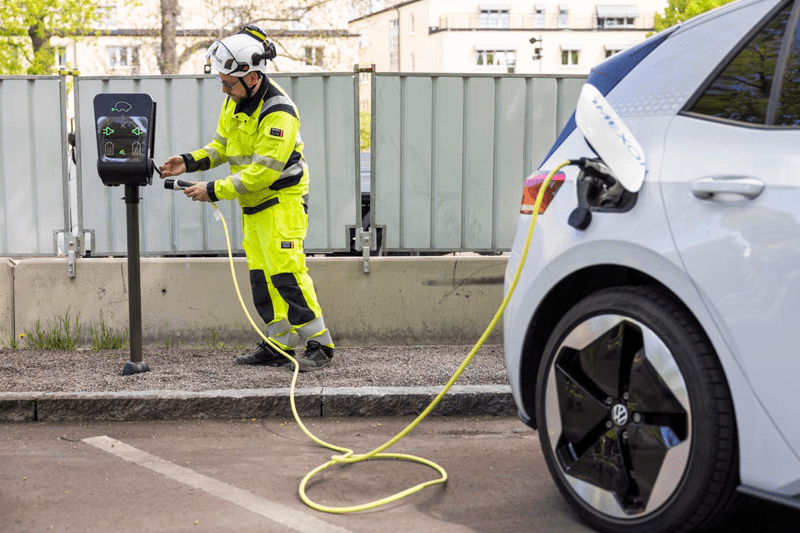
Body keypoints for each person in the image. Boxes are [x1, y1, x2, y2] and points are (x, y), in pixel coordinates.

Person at [159, 25, 334, 372]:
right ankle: (280, 342)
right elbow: (223, 146)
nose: (223, 89)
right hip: (253, 206)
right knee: (261, 277)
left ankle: (321, 343)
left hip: (281, 204)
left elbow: (263, 173)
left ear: (252, 77)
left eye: (229, 83)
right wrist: (188, 161)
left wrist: (213, 189)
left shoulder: (278, 112)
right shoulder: (234, 100)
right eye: (222, 82)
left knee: (287, 273)